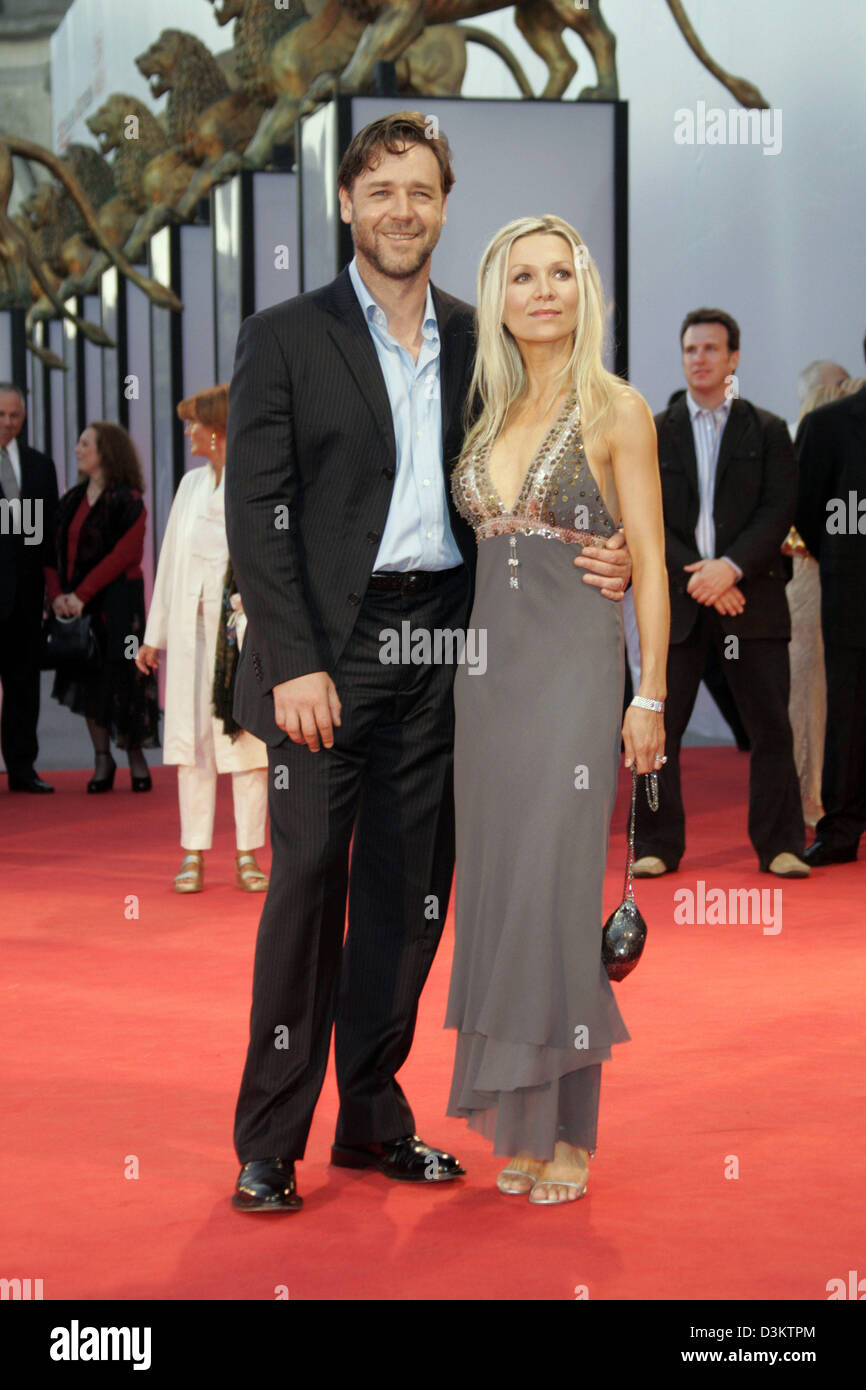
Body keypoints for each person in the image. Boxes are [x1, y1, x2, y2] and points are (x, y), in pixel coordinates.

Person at [224, 111, 633, 1212]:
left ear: (442, 209)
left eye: (422, 192)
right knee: (306, 885)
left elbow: (556, 465)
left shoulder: (477, 340)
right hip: (327, 656)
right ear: (347, 205)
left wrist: (618, 550)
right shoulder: (286, 335)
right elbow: (256, 511)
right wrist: (295, 660)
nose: (402, 210)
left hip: (452, 649)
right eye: (381, 191)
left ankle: (371, 1116)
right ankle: (268, 1136)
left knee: (410, 898)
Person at [445, 215, 668, 1205]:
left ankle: (569, 1135)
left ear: (585, 292)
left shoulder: (615, 410)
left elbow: (651, 565)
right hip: (483, 685)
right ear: (496, 295)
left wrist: (649, 688)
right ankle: (523, 1128)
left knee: (552, 893)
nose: (542, 292)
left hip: (573, 676)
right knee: (498, 897)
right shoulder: (483, 413)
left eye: (559, 275)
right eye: (521, 276)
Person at [632, 309, 809, 878]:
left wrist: (730, 569)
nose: (700, 359)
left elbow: (779, 508)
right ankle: (657, 845)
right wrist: (701, 575)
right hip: (680, 605)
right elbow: (646, 518)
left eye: (711, 349)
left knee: (771, 728)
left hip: (749, 599)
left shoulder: (768, 429)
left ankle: (780, 845)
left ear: (733, 358)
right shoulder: (655, 432)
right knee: (660, 726)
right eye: (691, 349)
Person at [136, 386, 269, 893]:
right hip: (192, 635)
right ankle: (192, 852)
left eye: (193, 424)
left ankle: (247, 854)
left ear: (215, 430)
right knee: (192, 745)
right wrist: (155, 637)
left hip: (239, 635)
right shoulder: (190, 486)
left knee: (246, 746)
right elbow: (169, 564)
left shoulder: (253, 482)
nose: (188, 432)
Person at [45, 422, 159, 790]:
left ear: (105, 452)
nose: (77, 450)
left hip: (118, 607)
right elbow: (50, 552)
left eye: (84, 444)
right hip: (78, 608)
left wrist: (81, 595)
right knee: (89, 679)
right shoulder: (70, 500)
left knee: (125, 678)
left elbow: (124, 556)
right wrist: (58, 596)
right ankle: (102, 761)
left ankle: (136, 759)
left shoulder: (129, 500)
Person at [795, 366, 866, 865]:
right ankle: (841, 828)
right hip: (853, 591)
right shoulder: (829, 424)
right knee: (849, 712)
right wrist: (841, 556)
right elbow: (807, 508)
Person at [783, 379, 851, 828]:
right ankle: (808, 794)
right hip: (810, 583)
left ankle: (824, 794)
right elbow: (793, 525)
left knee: (821, 692)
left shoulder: (806, 436)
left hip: (825, 580)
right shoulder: (796, 438)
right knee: (810, 692)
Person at [0, 382, 58, 793]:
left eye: (14, 415)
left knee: (23, 684)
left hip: (24, 597)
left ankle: (22, 768)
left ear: (23, 417)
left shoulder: (40, 466)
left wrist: (52, 592)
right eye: (0, 414)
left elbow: (46, 534)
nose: (7, 422)